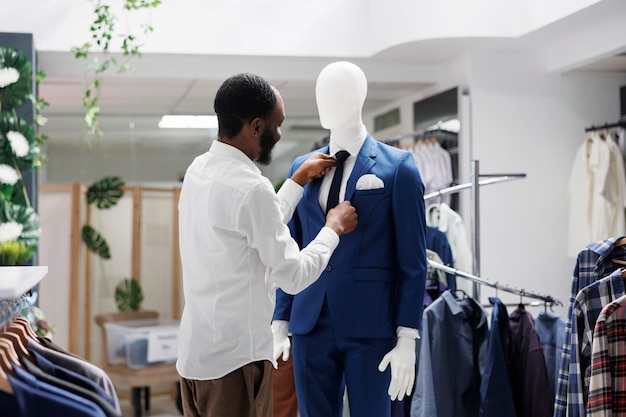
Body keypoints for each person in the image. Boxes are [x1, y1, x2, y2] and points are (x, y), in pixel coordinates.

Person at [176, 72, 358, 417]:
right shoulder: (251, 188)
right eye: (278, 124)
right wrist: (332, 229)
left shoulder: (198, 171)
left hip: (195, 359)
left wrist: (296, 181)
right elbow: (293, 276)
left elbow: (250, 225)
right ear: (256, 126)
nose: (280, 133)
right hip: (234, 366)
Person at [272, 61, 427, 417]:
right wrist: (280, 319)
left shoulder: (398, 167)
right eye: (321, 91)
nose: (326, 100)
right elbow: (289, 248)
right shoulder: (302, 166)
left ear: (359, 96)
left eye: (337, 91)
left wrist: (407, 336)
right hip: (309, 318)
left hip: (371, 322)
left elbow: (413, 262)